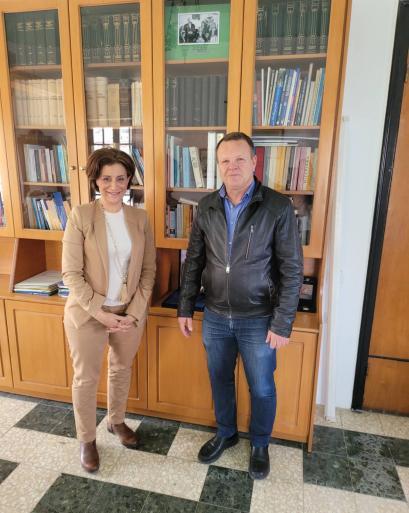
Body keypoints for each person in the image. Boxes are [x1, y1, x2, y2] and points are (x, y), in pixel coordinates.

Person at [177, 132, 303, 480]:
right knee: (219, 380)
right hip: (215, 314)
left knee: (261, 386)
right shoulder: (206, 206)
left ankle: (260, 443)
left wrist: (282, 323)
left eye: (239, 159)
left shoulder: (277, 207)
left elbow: (292, 269)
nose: (232, 167)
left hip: (259, 317)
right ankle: (226, 433)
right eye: (225, 161)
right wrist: (185, 307)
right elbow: (194, 261)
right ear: (218, 166)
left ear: (254, 162)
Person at [62, 148, 156, 473]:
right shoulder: (81, 216)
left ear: (129, 180)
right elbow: (71, 273)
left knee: (121, 368)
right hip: (88, 313)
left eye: (120, 178)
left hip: (129, 312)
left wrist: (134, 313)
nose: (114, 186)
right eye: (106, 179)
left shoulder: (140, 219)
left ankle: (116, 421)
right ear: (96, 181)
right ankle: (87, 439)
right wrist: (100, 313)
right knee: (86, 378)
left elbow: (148, 271)